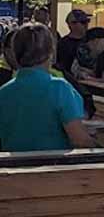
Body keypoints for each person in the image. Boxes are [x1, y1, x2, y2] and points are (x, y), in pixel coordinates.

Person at [0, 23, 95, 152]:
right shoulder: (60, 88)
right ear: (50, 52)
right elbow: (80, 140)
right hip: (52, 168)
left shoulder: (4, 92)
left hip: (11, 168)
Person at [56, 9, 91, 73]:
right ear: (71, 24)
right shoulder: (63, 43)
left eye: (88, 21)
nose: (86, 24)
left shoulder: (91, 41)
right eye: (83, 22)